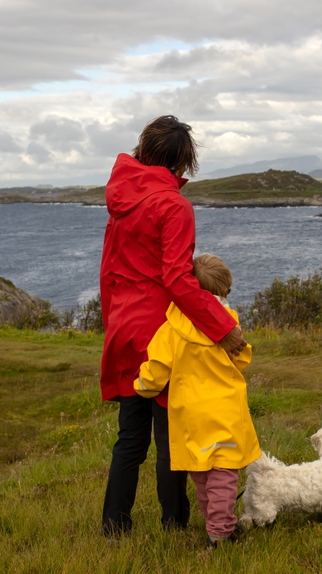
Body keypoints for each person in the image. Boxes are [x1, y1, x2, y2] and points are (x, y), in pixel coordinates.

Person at [100, 115, 247, 538]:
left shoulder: (119, 201)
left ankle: (114, 527)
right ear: (183, 161)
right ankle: (175, 522)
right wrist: (224, 329)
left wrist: (113, 328)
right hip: (162, 330)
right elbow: (178, 279)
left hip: (124, 327)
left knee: (130, 436)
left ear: (144, 150)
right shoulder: (173, 205)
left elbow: (109, 273)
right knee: (169, 436)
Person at [134, 254, 261, 547]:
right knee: (224, 473)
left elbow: (156, 371)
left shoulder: (171, 328)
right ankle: (220, 531)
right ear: (223, 290)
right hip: (225, 409)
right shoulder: (228, 323)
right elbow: (241, 357)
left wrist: (140, 386)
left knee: (202, 474)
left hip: (189, 413)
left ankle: (216, 525)